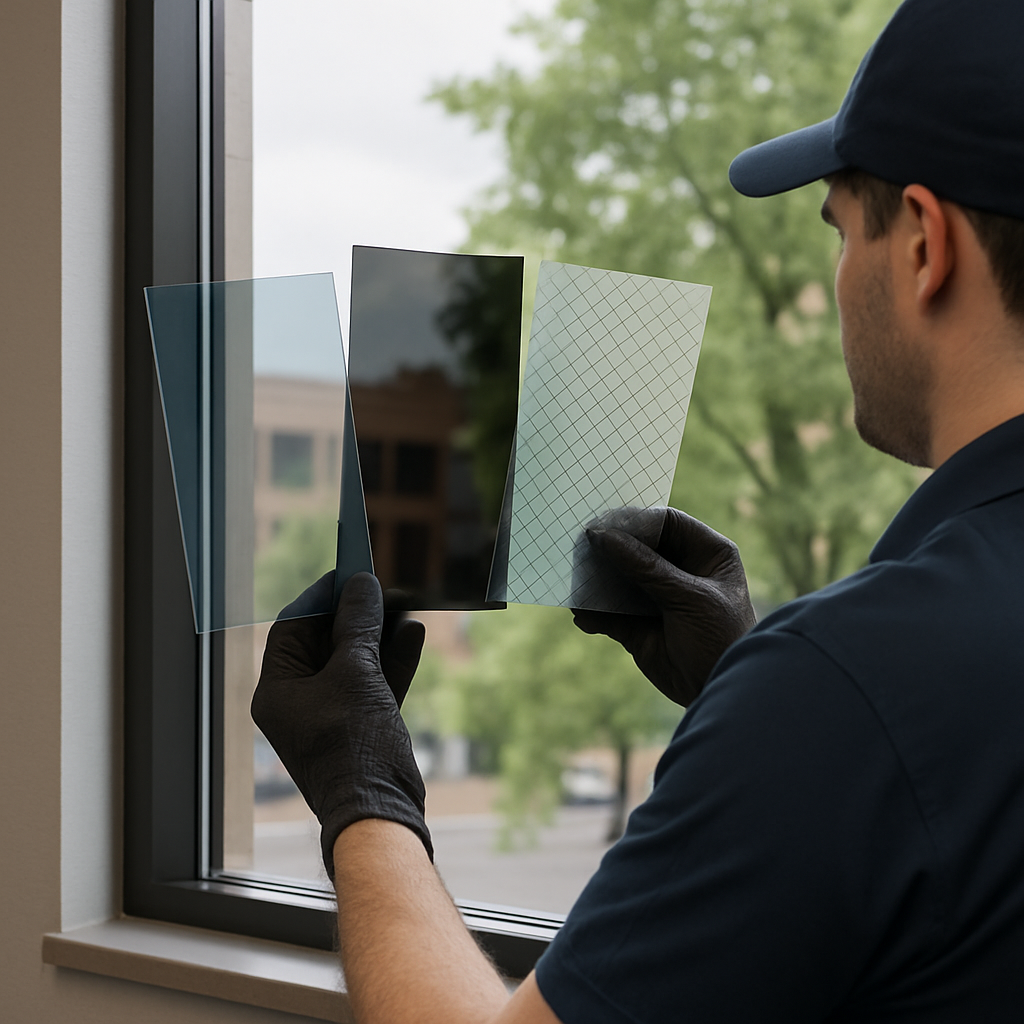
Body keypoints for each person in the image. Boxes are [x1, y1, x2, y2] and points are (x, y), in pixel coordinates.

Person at [251, 0, 1024, 1020]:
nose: (837, 281)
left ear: (924, 243)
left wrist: (363, 791)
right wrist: (750, 690)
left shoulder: (858, 685)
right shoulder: (880, 685)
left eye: (839, 231)